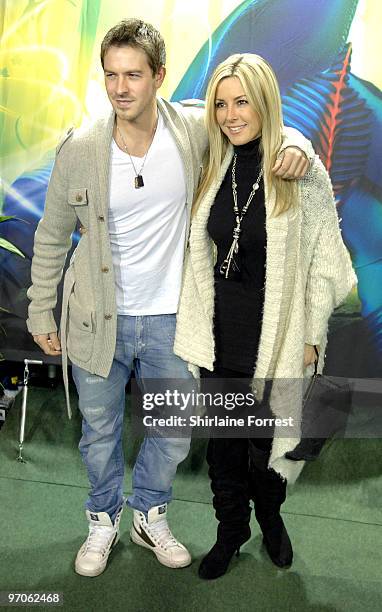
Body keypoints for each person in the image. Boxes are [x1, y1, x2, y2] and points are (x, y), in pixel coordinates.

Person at [27, 20, 312, 578]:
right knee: (100, 431)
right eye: (110, 75)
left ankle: (149, 513)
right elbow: (51, 235)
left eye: (133, 74)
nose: (120, 88)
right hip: (95, 320)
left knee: (172, 433)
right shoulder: (80, 149)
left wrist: (297, 143)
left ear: (159, 76)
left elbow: (254, 127)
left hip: (173, 319)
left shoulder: (191, 130)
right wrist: (40, 308)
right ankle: (103, 518)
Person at [173, 53, 357, 579]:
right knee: (224, 453)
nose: (231, 115)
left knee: (268, 453)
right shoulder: (214, 159)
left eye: (243, 101)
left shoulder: (299, 168)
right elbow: (172, 110)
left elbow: (327, 267)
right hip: (218, 338)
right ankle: (231, 533)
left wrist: (311, 336)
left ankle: (271, 520)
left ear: (266, 101)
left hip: (277, 339)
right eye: (222, 104)